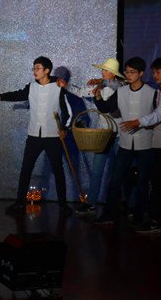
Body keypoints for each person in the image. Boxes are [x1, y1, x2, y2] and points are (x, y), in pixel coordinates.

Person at [0, 56, 74, 216]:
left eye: (38, 68)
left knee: (58, 170)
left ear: (47, 70)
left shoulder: (58, 86)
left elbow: (68, 112)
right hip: (34, 136)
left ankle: (63, 205)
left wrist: (65, 128)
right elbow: (17, 95)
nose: (34, 71)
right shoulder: (31, 87)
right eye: (34, 68)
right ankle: (20, 204)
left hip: (53, 136)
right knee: (26, 169)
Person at [120, 57, 161, 233]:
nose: (155, 75)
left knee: (158, 181)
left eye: (158, 72)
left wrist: (138, 121)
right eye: (154, 72)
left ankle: (156, 219)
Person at [91, 57, 155, 226]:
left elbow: (157, 115)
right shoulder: (122, 91)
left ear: (141, 73)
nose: (129, 75)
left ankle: (140, 216)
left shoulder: (151, 92)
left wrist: (141, 123)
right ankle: (109, 214)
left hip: (145, 143)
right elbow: (107, 108)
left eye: (132, 72)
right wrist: (97, 97)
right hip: (126, 142)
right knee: (116, 179)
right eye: (127, 72)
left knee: (142, 181)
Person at [57, 58, 125, 216]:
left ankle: (123, 203)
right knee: (97, 170)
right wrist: (66, 86)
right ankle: (91, 203)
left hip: (120, 134)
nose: (103, 72)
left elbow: (118, 85)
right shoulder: (99, 87)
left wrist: (101, 82)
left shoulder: (121, 87)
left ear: (113, 73)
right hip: (103, 134)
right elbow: (81, 92)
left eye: (106, 70)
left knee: (121, 170)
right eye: (102, 70)